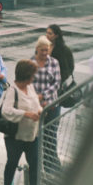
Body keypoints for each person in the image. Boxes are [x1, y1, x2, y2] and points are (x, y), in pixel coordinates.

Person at [0, 59, 42, 185]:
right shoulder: (12, 90)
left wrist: (40, 110)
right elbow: (6, 111)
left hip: (32, 136)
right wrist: (26, 114)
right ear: (26, 75)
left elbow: (36, 104)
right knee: (12, 163)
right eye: (33, 74)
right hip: (15, 137)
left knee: (35, 166)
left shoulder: (30, 88)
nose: (34, 77)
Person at [32, 35, 62, 175]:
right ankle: (37, 167)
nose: (45, 53)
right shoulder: (31, 62)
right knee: (36, 137)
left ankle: (49, 167)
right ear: (37, 49)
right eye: (42, 50)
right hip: (35, 106)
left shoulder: (54, 62)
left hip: (51, 105)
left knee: (50, 137)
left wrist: (43, 96)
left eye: (47, 50)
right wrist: (36, 99)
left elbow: (56, 83)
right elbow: (28, 83)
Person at [46, 24, 75, 93]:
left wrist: (58, 81)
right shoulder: (45, 46)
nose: (47, 35)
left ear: (56, 36)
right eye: (46, 32)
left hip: (56, 83)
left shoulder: (62, 50)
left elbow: (67, 68)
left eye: (50, 33)